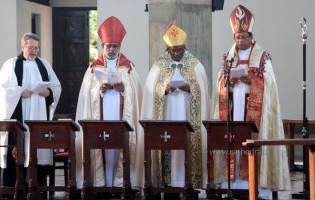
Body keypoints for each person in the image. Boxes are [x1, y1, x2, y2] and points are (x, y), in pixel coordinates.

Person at [210, 5, 291, 198]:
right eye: (237, 37)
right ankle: (232, 182)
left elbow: (270, 84)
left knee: (251, 144)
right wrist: (227, 83)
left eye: (244, 37)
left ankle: (257, 186)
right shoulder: (228, 58)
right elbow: (218, 86)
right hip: (233, 112)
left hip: (253, 113)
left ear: (251, 36)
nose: (240, 41)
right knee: (233, 145)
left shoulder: (262, 58)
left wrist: (252, 81)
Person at [75, 16, 143, 195]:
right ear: (103, 46)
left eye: (115, 46)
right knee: (102, 144)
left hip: (120, 119)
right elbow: (86, 97)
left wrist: (123, 89)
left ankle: (122, 182)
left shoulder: (129, 68)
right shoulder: (93, 69)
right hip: (101, 117)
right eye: (108, 46)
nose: (112, 49)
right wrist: (100, 89)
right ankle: (100, 182)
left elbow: (136, 94)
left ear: (120, 46)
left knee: (119, 145)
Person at [141, 23, 209, 198]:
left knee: (185, 144)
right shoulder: (159, 66)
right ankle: (167, 181)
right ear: (168, 49)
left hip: (187, 116)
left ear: (185, 47)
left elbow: (202, 89)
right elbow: (151, 92)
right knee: (168, 146)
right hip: (167, 115)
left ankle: (189, 182)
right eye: (173, 50)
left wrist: (190, 88)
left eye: (179, 50)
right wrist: (163, 89)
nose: (176, 53)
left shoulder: (195, 65)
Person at [0, 33, 61, 188]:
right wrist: (19, 92)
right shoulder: (11, 64)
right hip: (18, 115)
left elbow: (56, 86)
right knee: (16, 150)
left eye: (36, 48)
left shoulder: (44, 64)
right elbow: (3, 89)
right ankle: (12, 187)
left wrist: (48, 92)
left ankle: (38, 186)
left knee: (38, 150)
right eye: (30, 47)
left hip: (39, 114)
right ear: (22, 47)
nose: (34, 51)